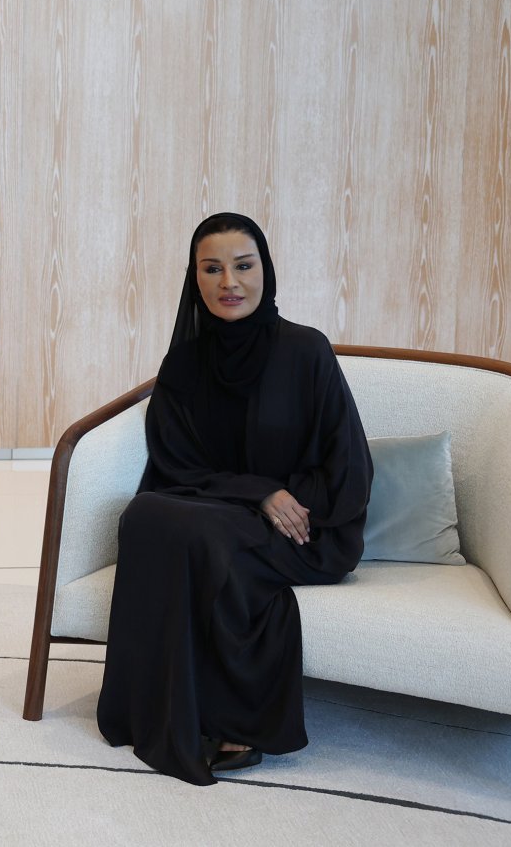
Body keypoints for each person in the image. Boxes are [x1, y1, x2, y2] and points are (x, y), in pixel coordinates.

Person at [95, 211, 372, 784]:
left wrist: (283, 499)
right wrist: (257, 492)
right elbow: (174, 464)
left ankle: (237, 721)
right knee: (145, 514)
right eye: (212, 269)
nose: (229, 283)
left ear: (265, 271)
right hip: (225, 515)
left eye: (243, 266)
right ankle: (159, 707)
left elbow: (349, 467)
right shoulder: (184, 363)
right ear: (194, 278)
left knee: (200, 533)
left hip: (307, 527)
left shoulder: (305, 351)